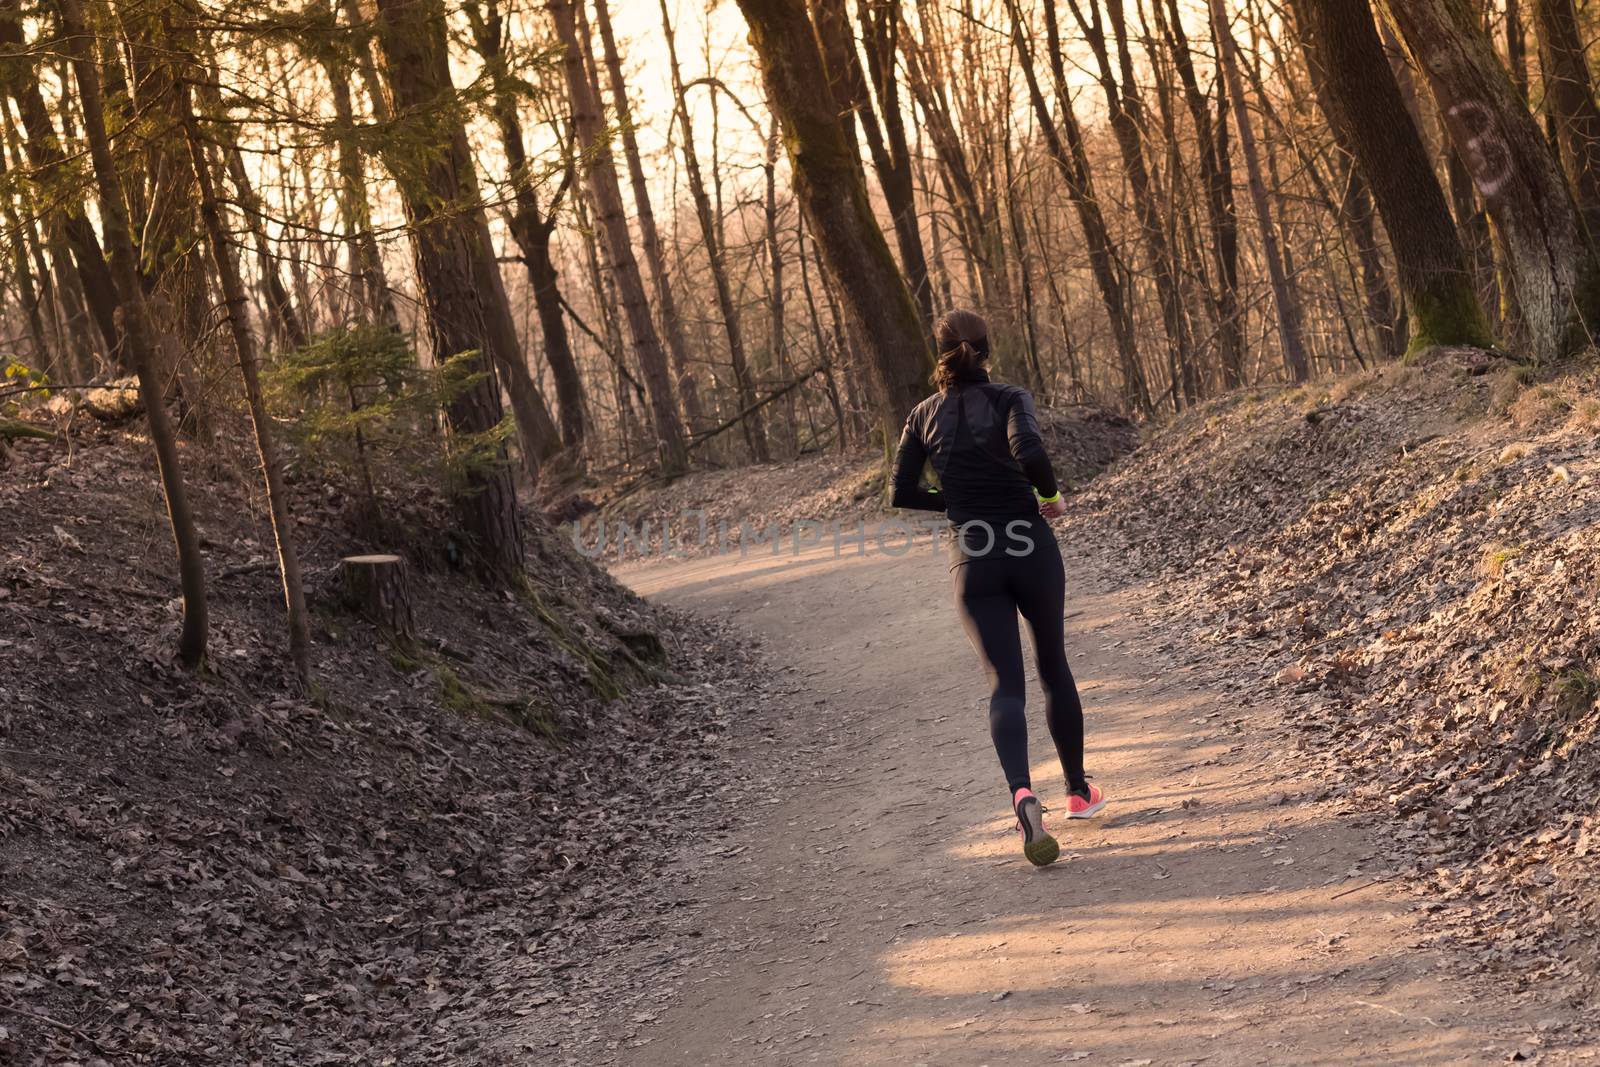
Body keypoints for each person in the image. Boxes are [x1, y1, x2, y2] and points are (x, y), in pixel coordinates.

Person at [890, 309, 1105, 867]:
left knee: (1003, 685)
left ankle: (1022, 794)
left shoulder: (921, 414)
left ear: (939, 353)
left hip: (973, 555)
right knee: (1053, 665)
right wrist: (1049, 497)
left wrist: (957, 507)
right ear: (987, 349)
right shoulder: (1010, 397)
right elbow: (1030, 452)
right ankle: (1079, 792)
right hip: (1029, 544)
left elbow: (901, 491)